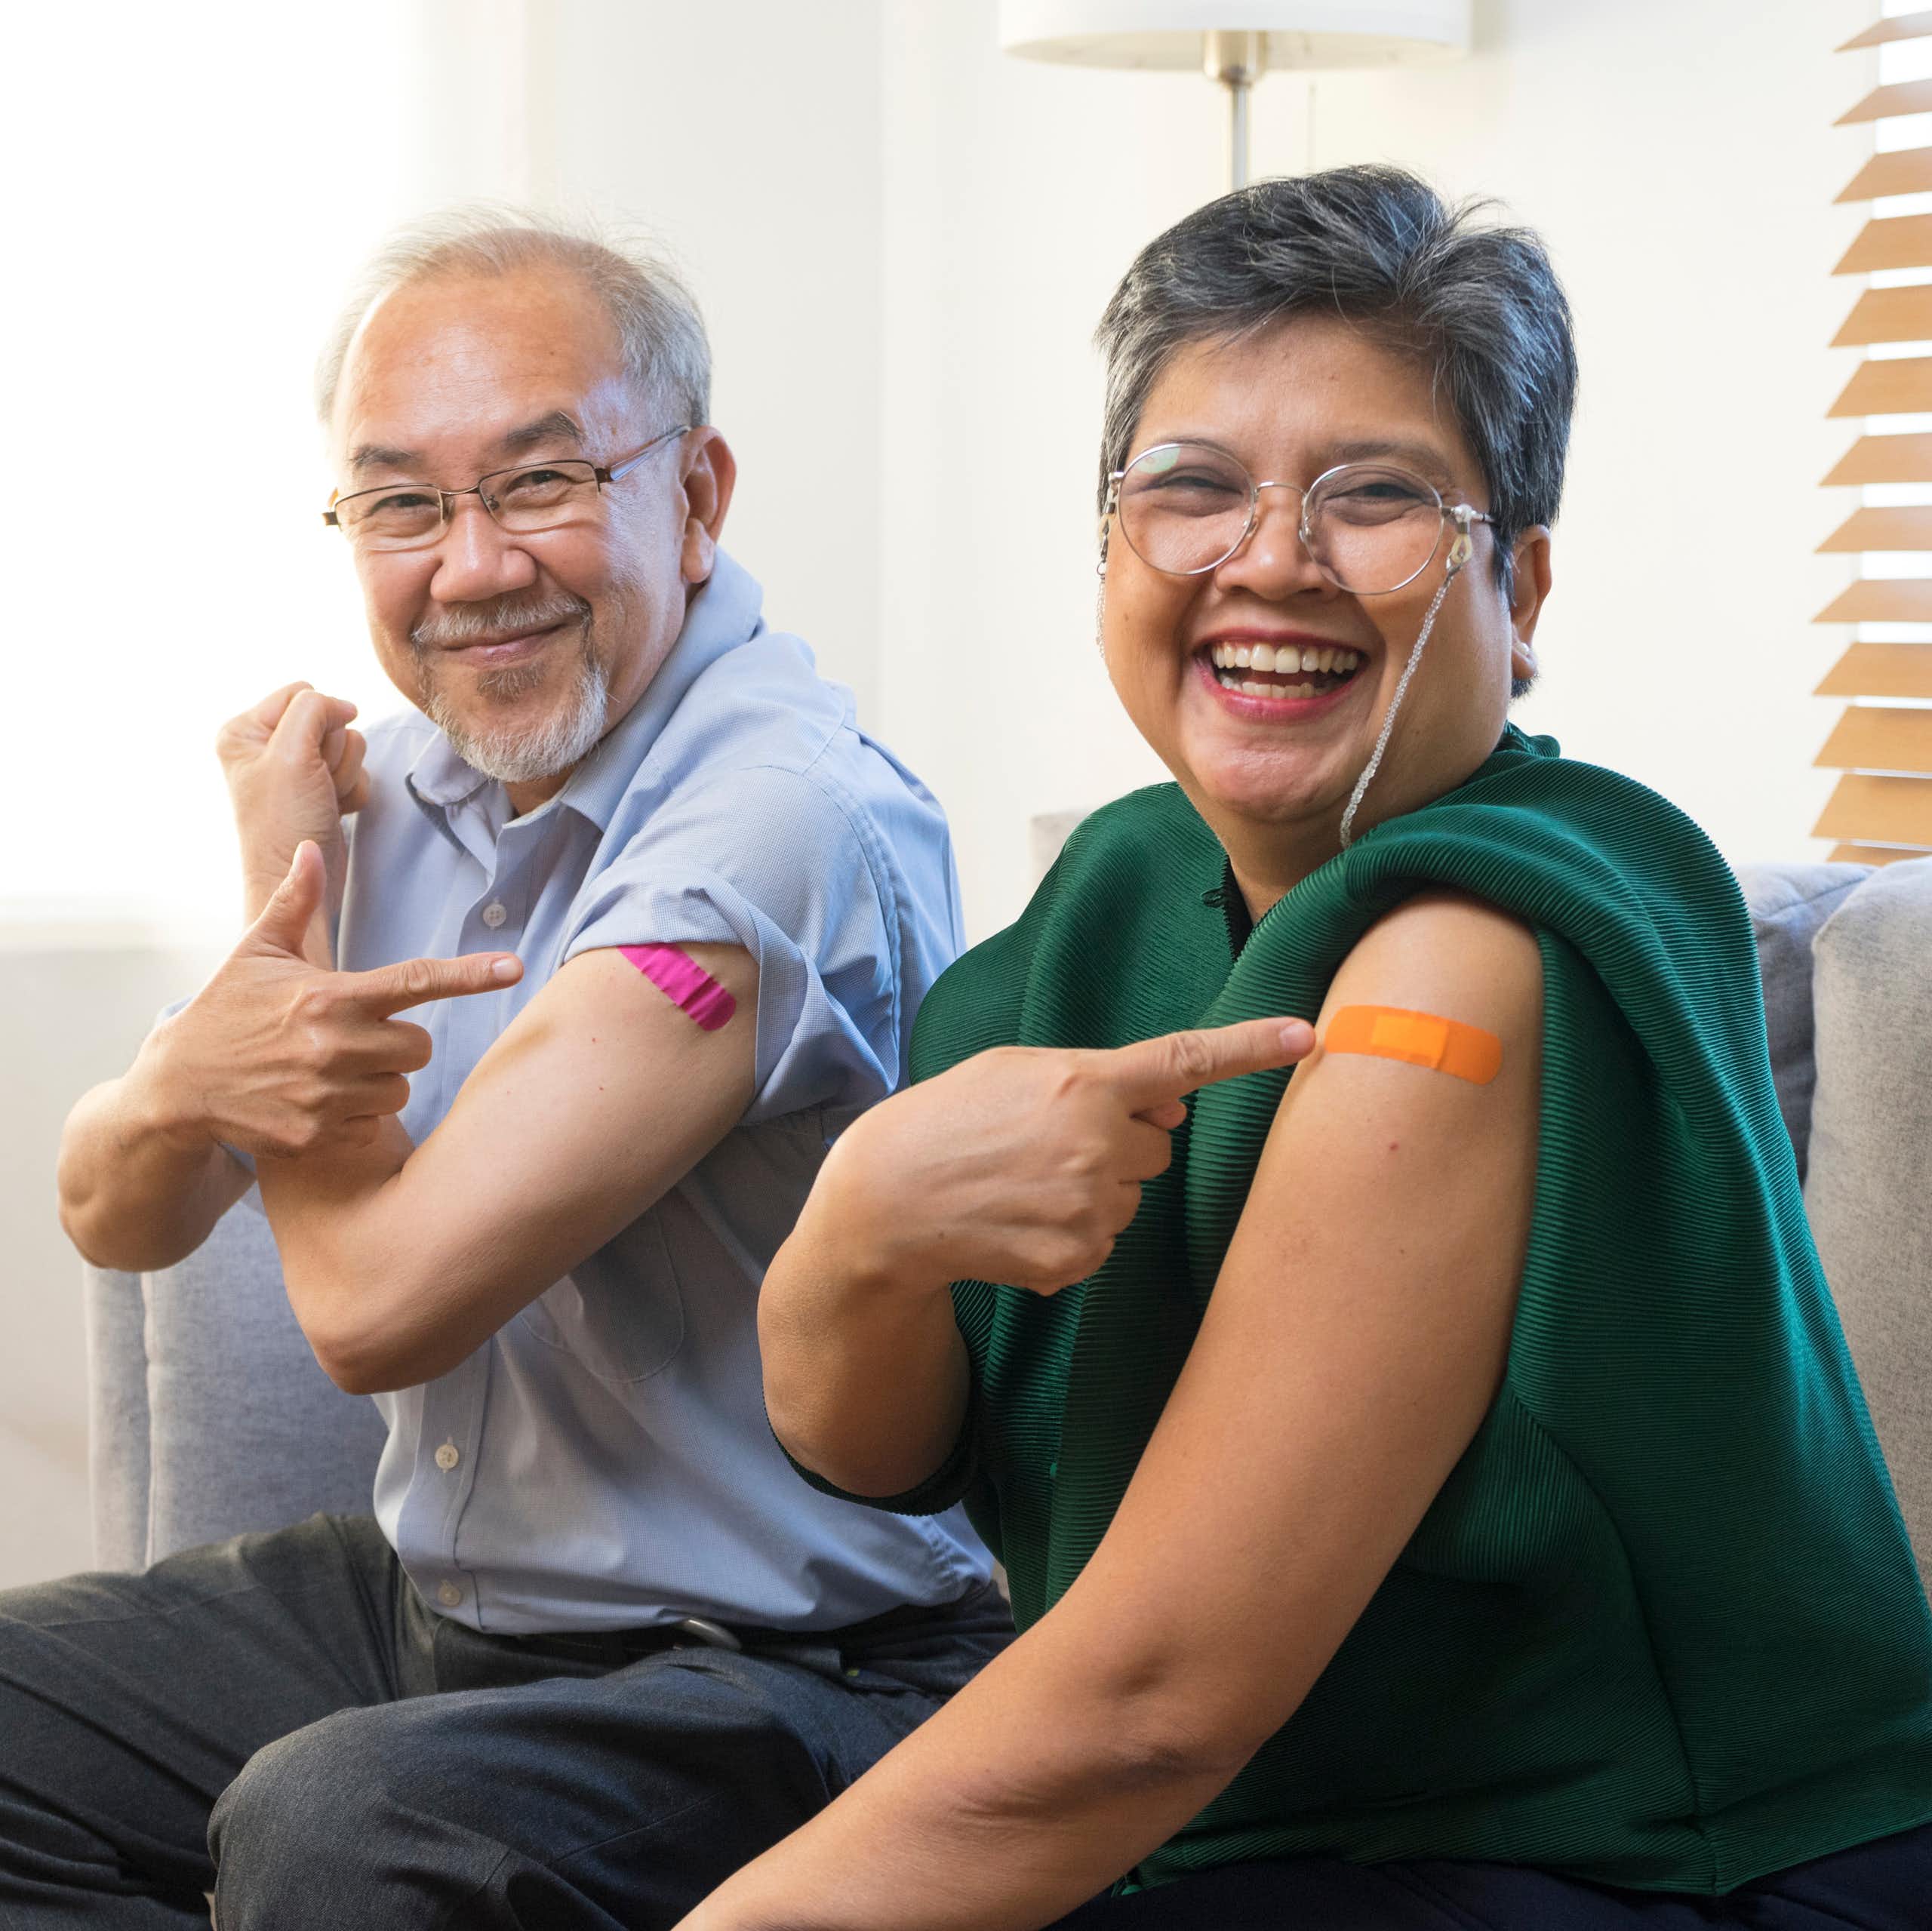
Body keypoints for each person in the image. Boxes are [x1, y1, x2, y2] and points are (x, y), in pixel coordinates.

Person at [681, 168, 1932, 1931]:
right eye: (1189, 487)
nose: (1267, 559)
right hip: (1254, 1839)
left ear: (1522, 580)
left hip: (1655, 1863)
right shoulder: (1115, 892)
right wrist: (860, 1226)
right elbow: (882, 1447)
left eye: (1373, 496)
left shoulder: (1484, 937)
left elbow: (1150, 1696)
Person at [15, 209, 1008, 1930]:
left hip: (792, 1668)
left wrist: (285, 917)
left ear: (693, 497)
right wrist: (192, 1071)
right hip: (450, 1610)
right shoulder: (400, 781)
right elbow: (112, 1205)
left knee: (338, 1821)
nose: (470, 565)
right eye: (402, 503)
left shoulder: (777, 820)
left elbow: (380, 1311)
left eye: (538, 483)